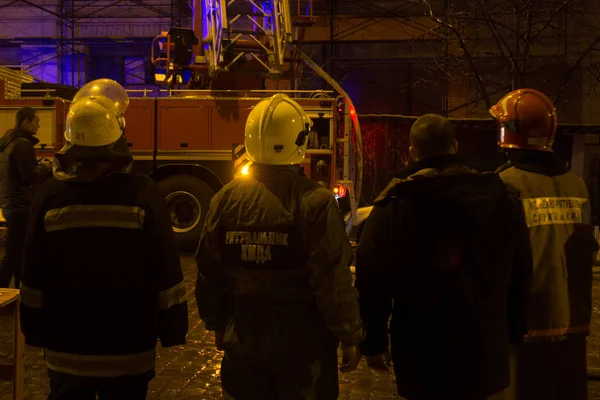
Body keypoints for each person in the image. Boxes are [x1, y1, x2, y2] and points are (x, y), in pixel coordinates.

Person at [19, 79, 188, 400]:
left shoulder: (49, 195)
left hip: (66, 348)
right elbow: (166, 267)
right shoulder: (144, 193)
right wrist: (172, 328)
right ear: (117, 139)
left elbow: (32, 270)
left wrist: (34, 328)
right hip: (128, 350)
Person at [195, 93, 364, 399]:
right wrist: (349, 334)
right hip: (303, 349)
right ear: (299, 141)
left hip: (244, 341)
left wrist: (218, 324)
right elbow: (332, 280)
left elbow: (209, 272)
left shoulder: (225, 200)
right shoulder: (316, 202)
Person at [355, 113, 533, 400]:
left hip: (422, 350)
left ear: (412, 152)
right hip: (484, 345)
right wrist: (513, 332)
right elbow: (521, 269)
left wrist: (373, 341)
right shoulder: (499, 198)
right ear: (455, 146)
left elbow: (371, 278)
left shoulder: (395, 205)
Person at [490, 88, 599, 400]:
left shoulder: (507, 185)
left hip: (524, 328)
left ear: (510, 132)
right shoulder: (576, 184)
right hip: (573, 326)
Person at [0, 106, 52, 288]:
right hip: (20, 204)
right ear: (26, 122)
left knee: (16, 252)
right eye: (36, 122)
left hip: (10, 202)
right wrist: (45, 167)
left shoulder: (9, 143)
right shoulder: (23, 144)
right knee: (17, 252)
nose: (38, 126)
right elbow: (28, 176)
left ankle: (14, 291)